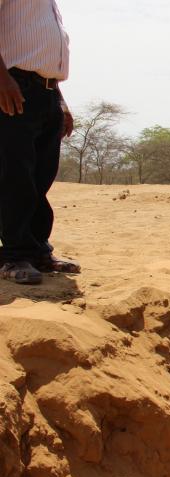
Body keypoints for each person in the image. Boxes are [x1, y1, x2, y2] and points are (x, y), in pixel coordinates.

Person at [0, 0, 78, 285]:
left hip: (46, 92)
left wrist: (60, 101)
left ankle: (37, 251)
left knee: (40, 178)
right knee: (15, 176)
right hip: (14, 87)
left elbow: (44, 57)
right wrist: (2, 80)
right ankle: (14, 256)